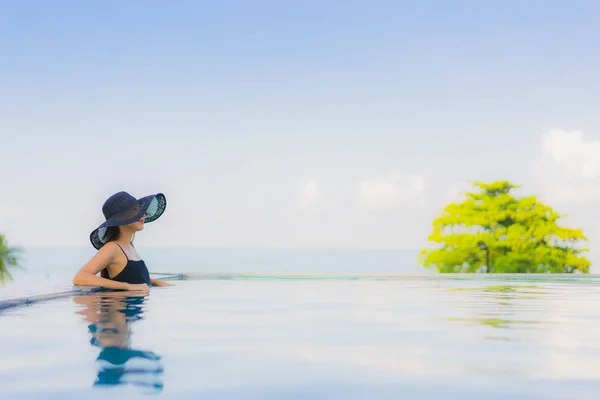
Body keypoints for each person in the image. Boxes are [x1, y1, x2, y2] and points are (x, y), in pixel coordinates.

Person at [73, 191, 174, 292]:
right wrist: (128, 286)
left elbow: (134, 278)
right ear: (120, 217)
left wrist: (156, 282)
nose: (142, 214)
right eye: (135, 210)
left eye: (140, 210)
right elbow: (80, 277)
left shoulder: (130, 246)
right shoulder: (112, 248)